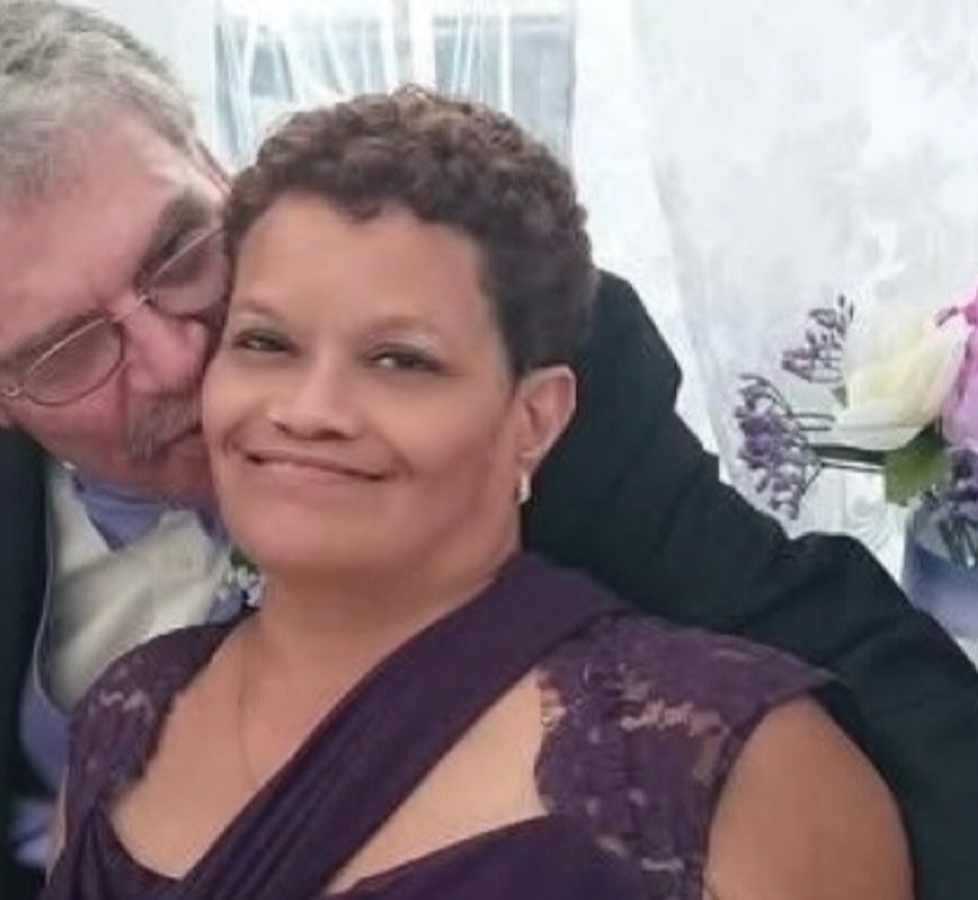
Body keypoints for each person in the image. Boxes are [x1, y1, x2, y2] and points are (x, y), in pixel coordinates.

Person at [0, 2, 977, 899]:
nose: (178, 357)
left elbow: (810, 637)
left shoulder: (506, 341)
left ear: (215, 165)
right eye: (65, 352)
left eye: (179, 254)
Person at [45, 86, 911, 900]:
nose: (308, 410)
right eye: (266, 343)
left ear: (534, 418)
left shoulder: (734, 761)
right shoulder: (128, 713)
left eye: (400, 361)